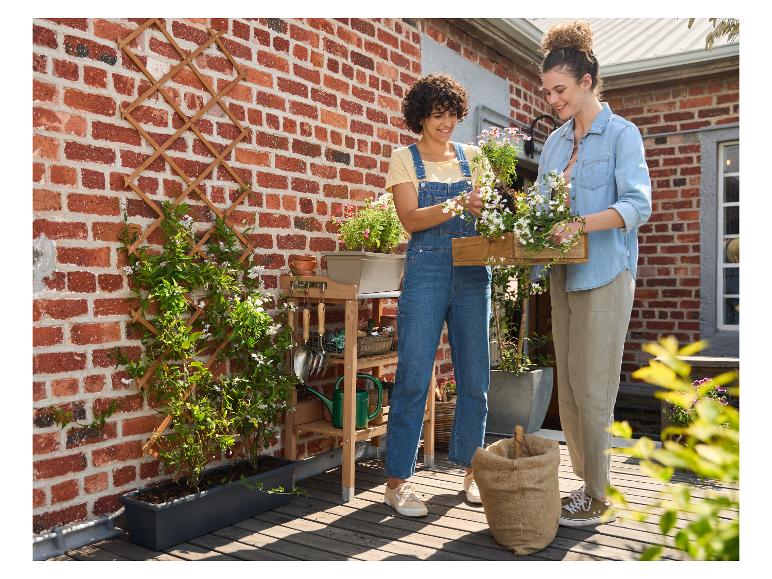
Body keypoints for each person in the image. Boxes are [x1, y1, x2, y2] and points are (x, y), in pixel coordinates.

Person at [536, 22, 652, 527]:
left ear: (587, 81)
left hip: (606, 271)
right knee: (572, 389)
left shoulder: (622, 134)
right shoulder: (556, 145)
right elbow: (541, 207)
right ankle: (587, 486)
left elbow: (637, 205)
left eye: (560, 89)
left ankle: (598, 495)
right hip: (564, 275)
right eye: (547, 92)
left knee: (596, 386)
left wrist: (578, 222)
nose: (553, 99)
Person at [382, 74, 491, 517]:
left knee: (476, 378)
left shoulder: (475, 158)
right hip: (425, 271)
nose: (446, 123)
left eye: (451, 114)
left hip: (472, 272)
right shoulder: (403, 159)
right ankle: (397, 482)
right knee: (412, 377)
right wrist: (458, 204)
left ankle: (471, 469)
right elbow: (410, 219)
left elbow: (486, 215)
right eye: (436, 115)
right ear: (420, 117)